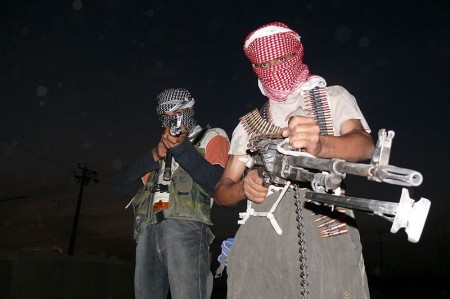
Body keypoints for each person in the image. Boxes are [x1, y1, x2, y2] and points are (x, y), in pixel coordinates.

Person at [214, 22, 375, 298]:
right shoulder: (249, 126)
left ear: (297, 53)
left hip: (324, 220)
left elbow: (364, 145)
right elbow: (222, 191)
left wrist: (322, 144)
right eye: (265, 64)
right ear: (256, 69)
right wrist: (244, 187)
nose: (274, 68)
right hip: (260, 231)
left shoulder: (331, 98)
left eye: (282, 58)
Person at [112, 88, 230, 299]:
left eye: (177, 114)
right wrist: (154, 154)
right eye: (165, 117)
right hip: (148, 230)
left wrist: (182, 148)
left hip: (186, 228)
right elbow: (120, 183)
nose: (172, 121)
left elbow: (218, 185)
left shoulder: (212, 136)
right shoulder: (159, 150)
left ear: (189, 109)